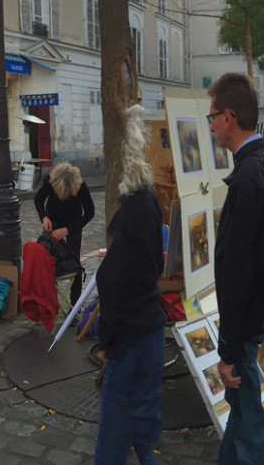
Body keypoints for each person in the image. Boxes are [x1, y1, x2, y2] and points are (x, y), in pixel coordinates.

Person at [207, 73, 264, 463]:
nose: (212, 124)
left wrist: (228, 350)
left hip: (244, 325)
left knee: (254, 432)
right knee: (243, 418)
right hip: (248, 322)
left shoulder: (247, 177)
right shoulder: (253, 167)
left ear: (229, 116)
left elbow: (237, 274)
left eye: (213, 116)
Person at [94, 105, 167, 465]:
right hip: (152, 332)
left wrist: (108, 340)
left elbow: (113, 280)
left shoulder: (135, 210)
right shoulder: (150, 201)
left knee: (114, 441)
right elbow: (153, 263)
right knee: (142, 433)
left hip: (132, 341)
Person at [34, 162, 95, 303]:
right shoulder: (50, 180)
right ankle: (51, 300)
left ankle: (75, 305)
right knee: (49, 261)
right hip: (53, 220)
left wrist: (68, 230)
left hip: (73, 222)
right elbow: (38, 199)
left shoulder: (80, 185)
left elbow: (90, 212)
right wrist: (44, 217)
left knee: (75, 262)